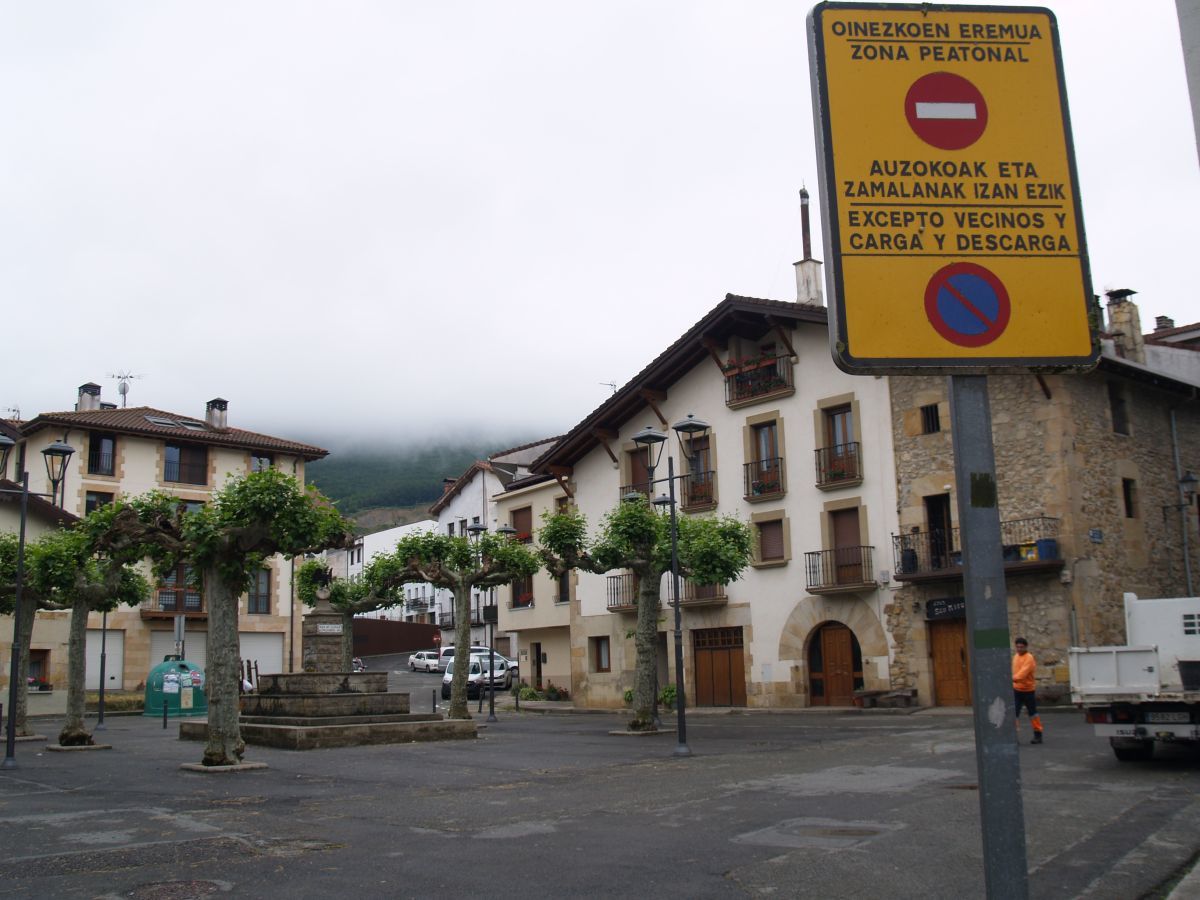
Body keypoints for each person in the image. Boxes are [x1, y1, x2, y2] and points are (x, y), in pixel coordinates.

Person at [1012, 637, 1043, 744]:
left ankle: (1038, 734)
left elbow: (1023, 673)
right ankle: (1014, 736)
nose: (1019, 649)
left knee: (1033, 713)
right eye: (1017, 647)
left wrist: (1012, 679)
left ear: (1026, 647)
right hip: (1017, 690)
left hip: (1028, 690)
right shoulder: (1015, 657)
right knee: (1014, 713)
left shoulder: (1029, 658)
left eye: (1021, 647)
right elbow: (1015, 671)